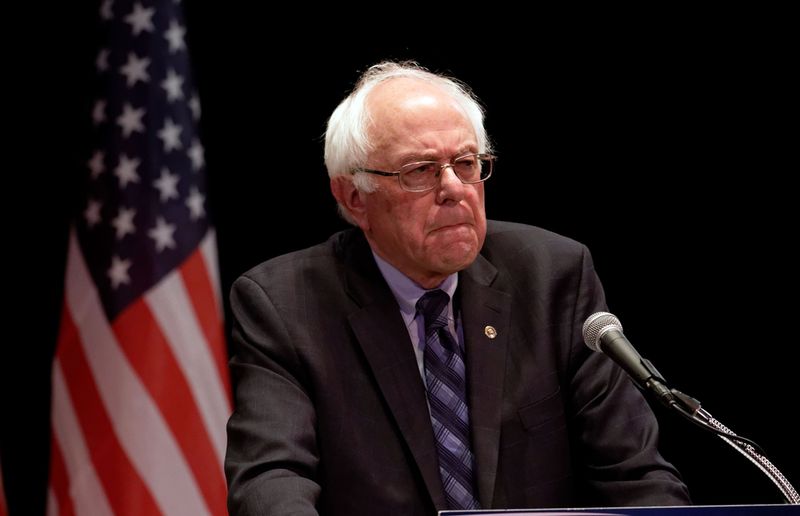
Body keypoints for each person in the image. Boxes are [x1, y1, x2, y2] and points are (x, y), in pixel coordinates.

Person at [224, 61, 691, 515]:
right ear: (354, 197)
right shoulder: (284, 306)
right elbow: (271, 480)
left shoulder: (553, 276)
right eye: (420, 171)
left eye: (466, 163)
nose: (454, 188)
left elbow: (637, 478)